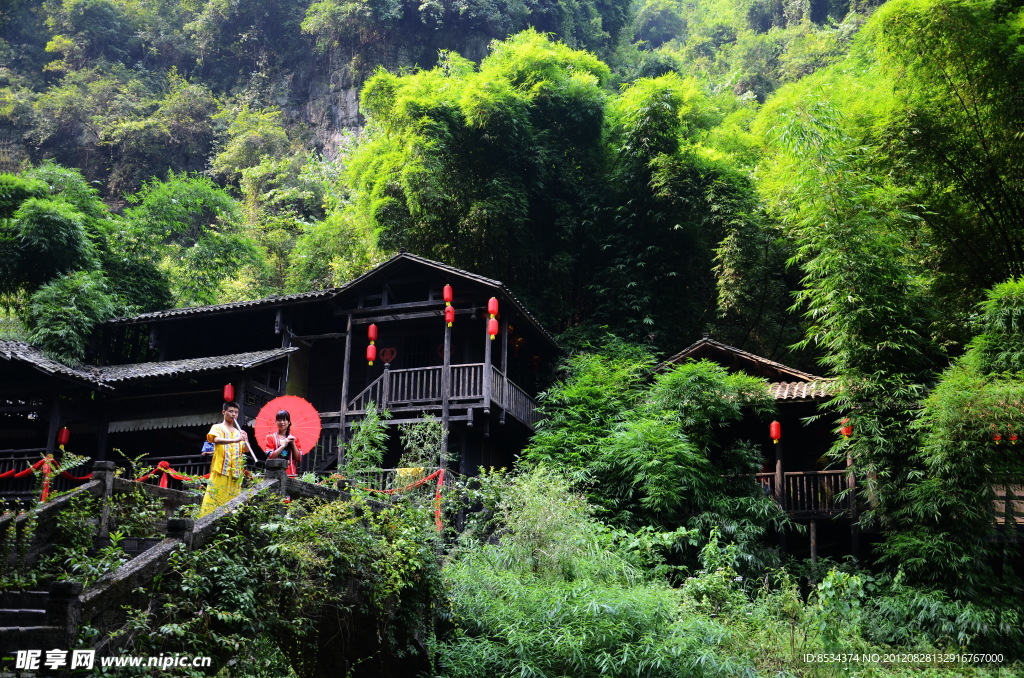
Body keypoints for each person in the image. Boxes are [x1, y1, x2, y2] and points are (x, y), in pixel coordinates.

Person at [199, 401, 250, 517]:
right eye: (231, 411)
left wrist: (245, 439)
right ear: (224, 412)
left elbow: (245, 449)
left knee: (233, 503)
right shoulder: (217, 427)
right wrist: (236, 440)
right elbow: (216, 440)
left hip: (236, 472)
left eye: (236, 412)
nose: (233, 414)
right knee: (214, 498)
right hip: (221, 469)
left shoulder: (238, 432)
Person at [263, 409, 304, 477]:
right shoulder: (270, 437)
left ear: (289, 422)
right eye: (279, 420)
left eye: (284, 420)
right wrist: (283, 445)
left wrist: (293, 444)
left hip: (290, 473)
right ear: (276, 422)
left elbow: (298, 459)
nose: (282, 422)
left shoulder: (294, 439)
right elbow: (269, 457)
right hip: (274, 473)